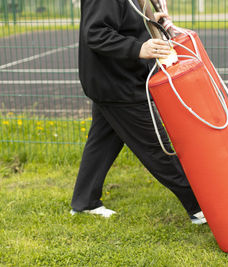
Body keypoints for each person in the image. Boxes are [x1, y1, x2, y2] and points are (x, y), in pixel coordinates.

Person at [70, 0, 206, 224]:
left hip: (112, 82)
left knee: (103, 141)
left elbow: (125, 23)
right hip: (117, 86)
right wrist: (138, 48)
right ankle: (200, 207)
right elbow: (95, 33)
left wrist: (153, 23)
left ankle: (85, 202)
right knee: (156, 147)